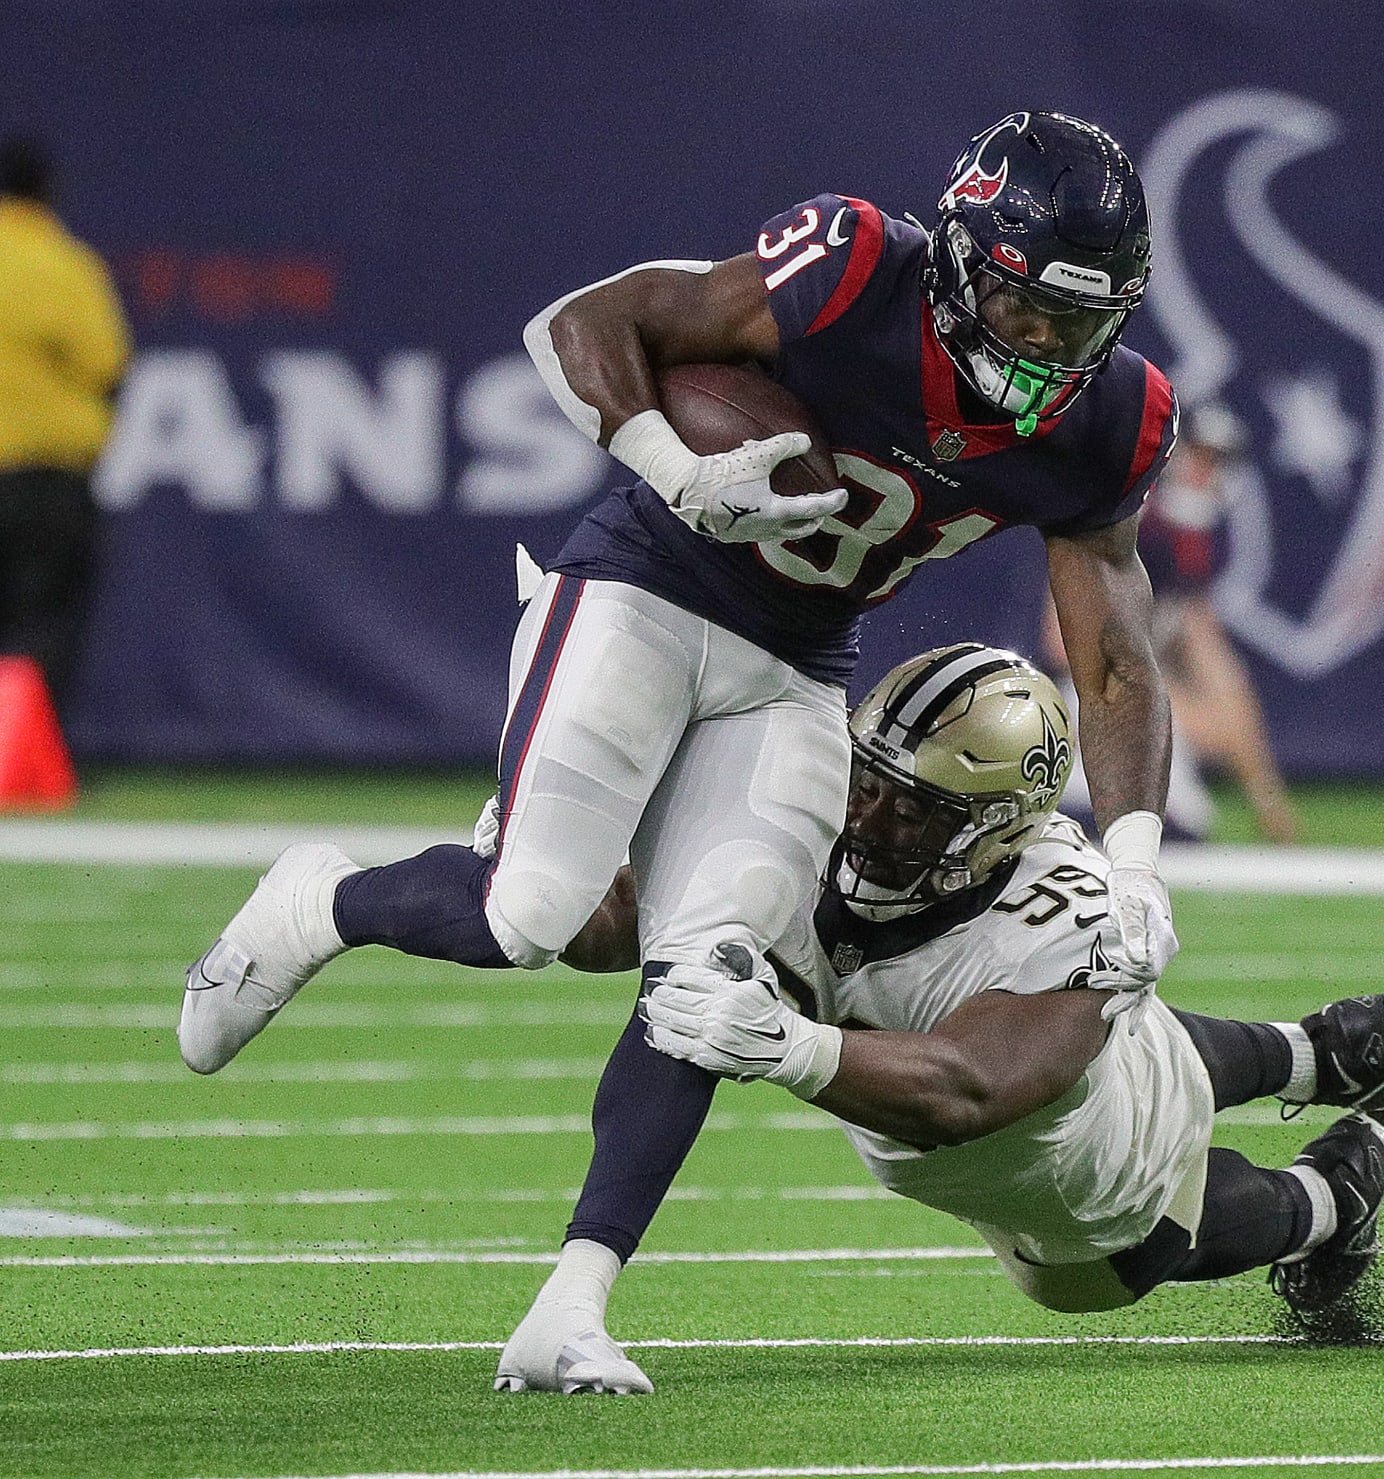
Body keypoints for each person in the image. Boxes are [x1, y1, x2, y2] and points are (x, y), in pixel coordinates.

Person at [179, 116, 1182, 1370]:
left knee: (709, 982)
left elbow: (1117, 659)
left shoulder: (1109, 424)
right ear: (965, 257)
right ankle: (319, 902)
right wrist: (669, 462)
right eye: (1023, 308)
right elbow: (580, 325)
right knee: (529, 917)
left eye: (1076, 327)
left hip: (800, 663)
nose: (1041, 348)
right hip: (646, 588)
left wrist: (1136, 862)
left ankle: (569, 1313)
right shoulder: (855, 268)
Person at [516, 645, 1384, 1394]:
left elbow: (969, 1087)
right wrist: (546, 875)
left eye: (911, 808)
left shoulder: (1064, 912)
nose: (865, 816)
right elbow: (625, 916)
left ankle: (1332, 1197)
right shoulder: (813, 805)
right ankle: (1319, 1052)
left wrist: (790, 1047)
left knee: (1107, 1251)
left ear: (994, 827)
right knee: (1146, 1053)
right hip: (1056, 1066)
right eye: (865, 780)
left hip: (1056, 1142)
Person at [1041, 401, 1299, 843]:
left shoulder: (1187, 546)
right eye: (1196, 457)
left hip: (1119, 699)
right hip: (1064, 706)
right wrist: (1153, 700)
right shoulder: (1125, 520)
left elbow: (1218, 669)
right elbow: (1059, 644)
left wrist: (1266, 795)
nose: (1202, 473)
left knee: (1187, 819)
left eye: (1215, 463)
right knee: (1163, 826)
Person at [0, 138, 131, 713]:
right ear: (46, 193)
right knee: (43, 620)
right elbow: (105, 363)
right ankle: (21, 765)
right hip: (43, 478)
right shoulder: (63, 264)